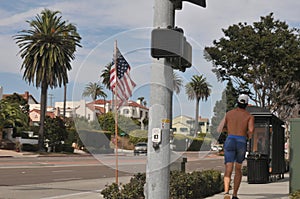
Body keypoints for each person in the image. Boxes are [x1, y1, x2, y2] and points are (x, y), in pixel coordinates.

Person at [217, 94, 255, 199]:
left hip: (230, 139)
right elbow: (251, 131)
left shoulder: (229, 114)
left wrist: (228, 130)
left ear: (237, 102)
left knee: (228, 168)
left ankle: (226, 193)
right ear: (246, 104)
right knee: (238, 168)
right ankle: (234, 194)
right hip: (241, 141)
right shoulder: (249, 116)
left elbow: (219, 129)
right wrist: (248, 135)